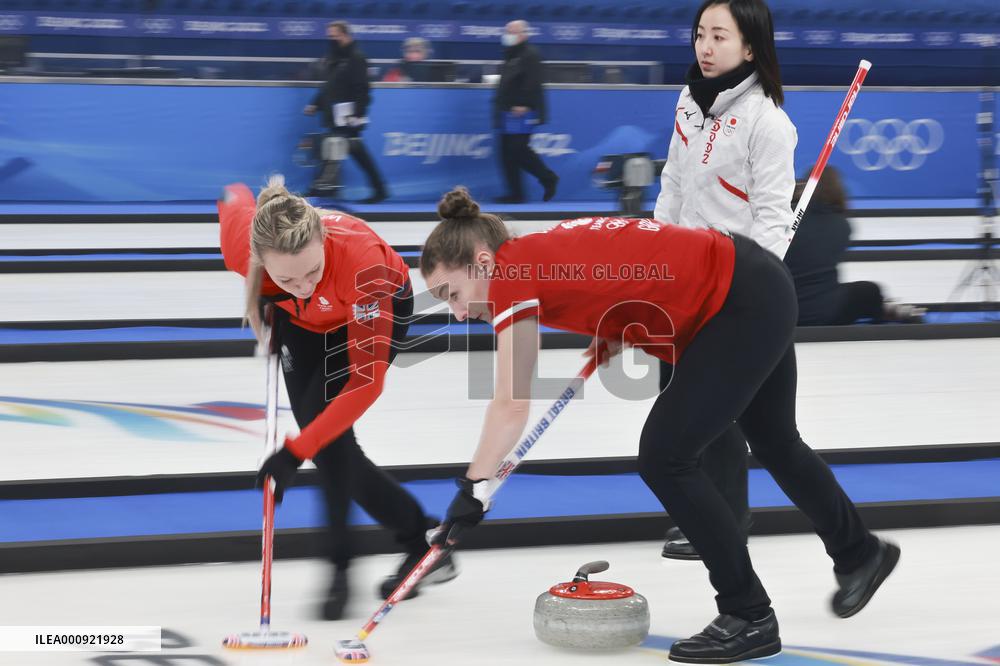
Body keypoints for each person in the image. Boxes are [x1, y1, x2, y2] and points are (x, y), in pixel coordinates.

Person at [420, 186, 899, 664]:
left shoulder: (511, 276)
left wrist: (472, 486)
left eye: (454, 294)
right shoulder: (533, 252)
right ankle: (859, 552)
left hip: (737, 304)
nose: (460, 312)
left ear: (481, 263)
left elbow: (510, 403)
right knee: (775, 441)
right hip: (754, 282)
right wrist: (615, 326)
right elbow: (621, 265)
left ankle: (748, 614)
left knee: (665, 457)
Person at [217, 176, 455, 620]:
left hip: (365, 313)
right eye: (287, 276)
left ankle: (340, 567)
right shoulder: (244, 251)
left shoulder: (366, 267)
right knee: (327, 441)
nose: (303, 283)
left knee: (323, 438)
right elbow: (233, 196)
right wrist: (274, 297)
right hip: (303, 323)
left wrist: (292, 453)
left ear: (324, 240)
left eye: (312, 270)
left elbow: (365, 384)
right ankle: (422, 540)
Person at [652, 0, 796, 561]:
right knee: (684, 407)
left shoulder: (769, 122)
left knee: (718, 414)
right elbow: (672, 183)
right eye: (699, 35)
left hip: (733, 290)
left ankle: (726, 521)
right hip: (680, 283)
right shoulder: (688, 101)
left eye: (719, 36)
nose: (705, 47)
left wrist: (754, 288)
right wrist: (655, 258)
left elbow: (772, 217)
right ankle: (713, 517)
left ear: (751, 47)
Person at [786, 167, 927, 325]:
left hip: (785, 310)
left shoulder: (788, 218)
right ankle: (887, 310)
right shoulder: (842, 226)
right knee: (869, 291)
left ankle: (887, 309)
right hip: (827, 311)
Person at [305, 20, 388, 203]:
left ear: (344, 35)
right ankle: (380, 189)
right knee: (355, 153)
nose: (331, 39)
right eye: (329, 36)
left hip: (348, 116)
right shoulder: (334, 58)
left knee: (334, 149)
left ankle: (320, 189)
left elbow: (362, 89)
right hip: (334, 115)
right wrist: (315, 104)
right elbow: (328, 86)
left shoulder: (356, 58)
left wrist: (357, 114)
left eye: (334, 36)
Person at [492, 20, 558, 204]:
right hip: (506, 112)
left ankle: (548, 177)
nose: (507, 34)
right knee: (506, 153)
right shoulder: (510, 54)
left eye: (512, 31)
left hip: (521, 112)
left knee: (518, 149)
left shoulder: (530, 54)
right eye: (507, 30)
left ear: (523, 34)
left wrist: (525, 105)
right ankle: (515, 193)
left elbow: (534, 82)